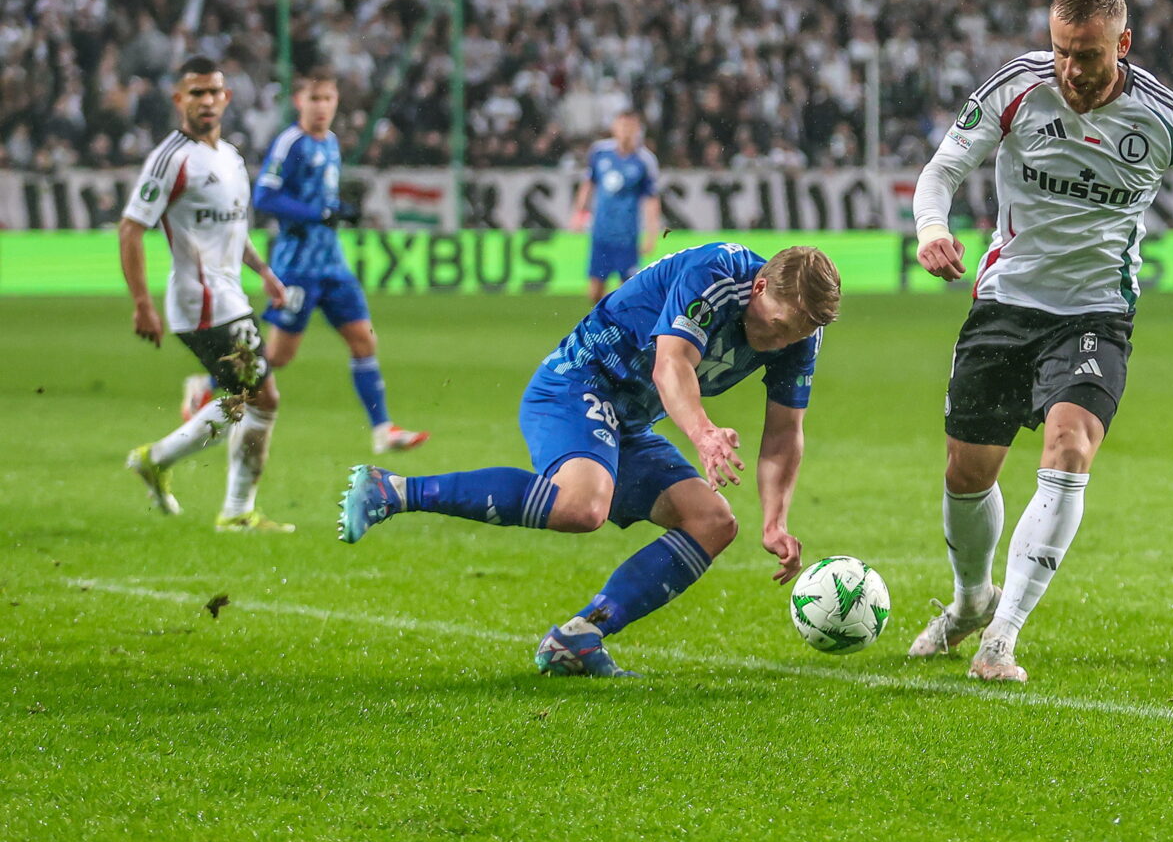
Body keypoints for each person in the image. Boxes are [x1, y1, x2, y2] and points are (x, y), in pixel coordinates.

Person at [909, 0, 1173, 682]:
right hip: (1005, 305)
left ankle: (1001, 638)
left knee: (1069, 450)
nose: (1070, 68)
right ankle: (974, 599)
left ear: (1122, 45)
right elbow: (943, 168)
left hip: (1096, 313)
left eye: (1088, 54)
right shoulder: (1018, 88)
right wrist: (931, 229)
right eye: (1062, 50)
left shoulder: (1165, 117)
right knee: (967, 473)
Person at [338, 243, 840, 676]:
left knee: (712, 521)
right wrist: (703, 433)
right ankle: (392, 490)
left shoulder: (800, 331)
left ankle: (578, 638)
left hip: (630, 421)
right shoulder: (714, 274)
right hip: (576, 383)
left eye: (793, 335)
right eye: (776, 327)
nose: (781, 342)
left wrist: (775, 521)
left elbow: (783, 431)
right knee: (582, 506)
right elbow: (672, 363)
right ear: (758, 288)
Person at [179, 69, 429, 455]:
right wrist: (317, 213)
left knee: (364, 340)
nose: (322, 107)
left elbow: (320, 202)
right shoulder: (290, 144)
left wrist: (338, 211)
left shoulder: (330, 143)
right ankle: (207, 383)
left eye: (328, 99)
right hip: (297, 267)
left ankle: (383, 430)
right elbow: (265, 197)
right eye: (314, 99)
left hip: (332, 265)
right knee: (278, 356)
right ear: (299, 102)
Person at [119, 56, 294, 532]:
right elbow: (131, 229)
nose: (207, 100)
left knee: (247, 399)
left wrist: (266, 273)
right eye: (196, 93)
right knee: (262, 398)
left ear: (227, 98)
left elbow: (235, 232)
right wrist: (141, 304)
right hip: (201, 302)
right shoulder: (172, 159)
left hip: (231, 296)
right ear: (179, 100)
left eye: (214, 91)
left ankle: (160, 462)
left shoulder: (232, 158)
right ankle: (232, 508)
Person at [568, 108, 661, 304]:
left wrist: (652, 234)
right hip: (601, 233)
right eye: (622, 125)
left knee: (627, 292)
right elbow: (588, 185)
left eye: (630, 126)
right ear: (614, 128)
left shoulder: (644, 161)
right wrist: (579, 213)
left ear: (638, 130)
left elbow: (651, 200)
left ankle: (620, 328)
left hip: (627, 237)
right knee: (594, 292)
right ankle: (604, 322)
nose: (625, 130)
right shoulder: (600, 152)